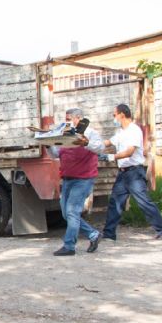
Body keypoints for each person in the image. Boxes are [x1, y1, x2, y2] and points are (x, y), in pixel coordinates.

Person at [101, 103, 162, 241]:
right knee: (115, 202)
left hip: (134, 173)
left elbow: (130, 151)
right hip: (123, 173)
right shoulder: (121, 132)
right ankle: (109, 234)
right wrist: (90, 144)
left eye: (114, 114)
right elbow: (108, 142)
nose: (113, 117)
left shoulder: (134, 130)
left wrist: (112, 157)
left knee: (144, 202)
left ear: (122, 114)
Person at [48, 108, 104, 256]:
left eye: (69, 119)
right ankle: (93, 235)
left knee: (72, 211)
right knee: (67, 214)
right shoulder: (65, 135)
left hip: (83, 179)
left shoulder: (90, 133)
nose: (66, 122)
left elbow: (100, 148)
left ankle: (69, 246)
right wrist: (48, 143)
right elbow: (55, 154)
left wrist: (86, 142)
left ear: (78, 118)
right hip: (67, 179)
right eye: (65, 119)